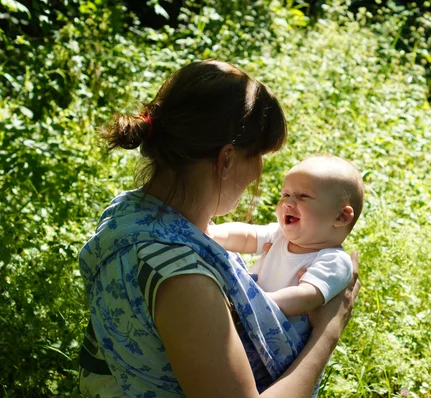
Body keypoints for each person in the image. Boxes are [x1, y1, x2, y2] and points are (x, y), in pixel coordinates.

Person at [77, 59, 360, 398]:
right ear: (226, 159)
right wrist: (328, 331)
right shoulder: (185, 280)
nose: (259, 173)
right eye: (259, 156)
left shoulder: (125, 212)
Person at [208, 155, 364, 329]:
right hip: (247, 317)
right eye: (286, 194)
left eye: (304, 196)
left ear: (341, 216)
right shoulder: (280, 236)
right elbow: (247, 236)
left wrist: (254, 303)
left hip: (279, 337)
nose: (288, 202)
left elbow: (304, 297)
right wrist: (211, 233)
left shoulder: (334, 260)